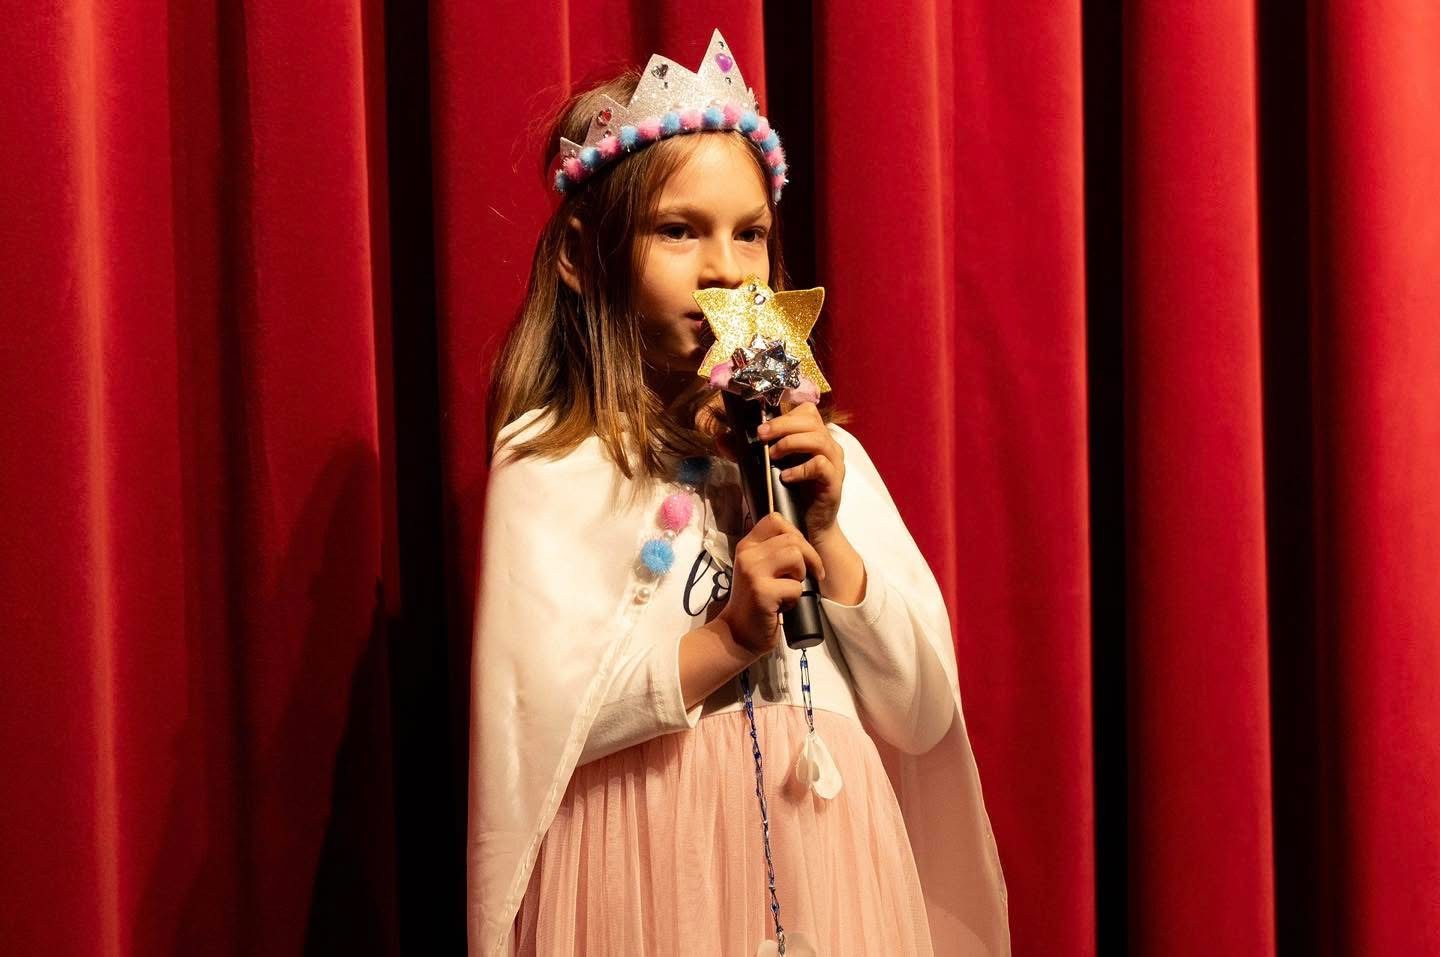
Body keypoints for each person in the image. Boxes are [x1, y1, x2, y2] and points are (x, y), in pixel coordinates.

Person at [468, 29, 1009, 957]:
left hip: (827, 866)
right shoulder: (556, 460)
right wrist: (725, 642)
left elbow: (923, 713)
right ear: (581, 256)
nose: (725, 269)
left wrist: (830, 540)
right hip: (648, 876)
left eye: (749, 233)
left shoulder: (822, 456)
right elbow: (532, 730)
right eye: (679, 231)